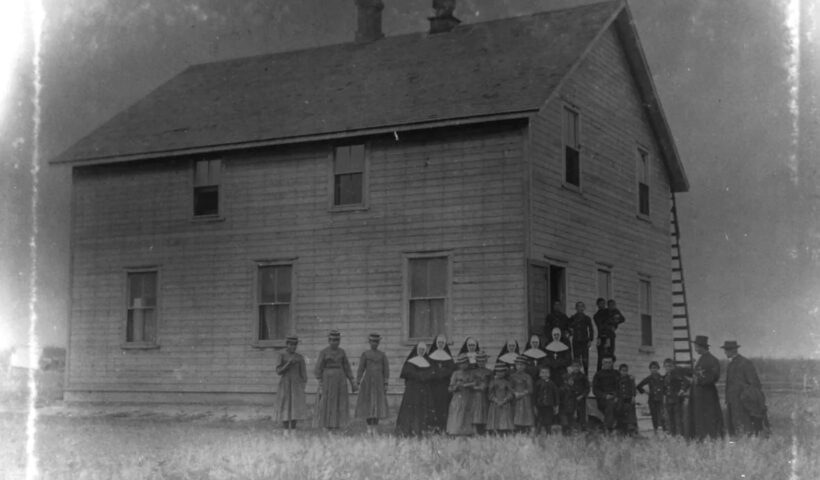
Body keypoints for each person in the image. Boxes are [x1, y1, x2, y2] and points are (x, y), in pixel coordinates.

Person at [721, 340, 767, 437]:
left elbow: (755, 384)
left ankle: (746, 447)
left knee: (745, 427)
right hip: (732, 402)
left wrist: (745, 396)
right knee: (732, 428)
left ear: (733, 350)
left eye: (726, 350)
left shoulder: (745, 363)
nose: (725, 352)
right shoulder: (731, 364)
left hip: (742, 403)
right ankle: (733, 448)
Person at [314, 330, 357, 430]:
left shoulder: (342, 352)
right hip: (327, 380)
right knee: (328, 401)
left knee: (339, 401)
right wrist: (320, 381)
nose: (334, 342)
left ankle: (338, 424)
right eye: (332, 340)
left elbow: (347, 367)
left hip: (340, 379)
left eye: (337, 340)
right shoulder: (324, 352)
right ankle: (326, 424)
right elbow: (318, 369)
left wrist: (352, 380)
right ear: (329, 341)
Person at [395, 342, 434, 436]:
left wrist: (421, 376)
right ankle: (408, 430)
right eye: (420, 349)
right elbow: (407, 373)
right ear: (417, 350)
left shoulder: (428, 362)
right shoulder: (411, 361)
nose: (421, 351)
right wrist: (420, 376)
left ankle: (421, 430)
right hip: (412, 389)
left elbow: (431, 373)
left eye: (423, 350)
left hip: (424, 390)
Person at [689, 335, 724, 439]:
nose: (695, 349)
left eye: (695, 346)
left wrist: (699, 380)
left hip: (707, 396)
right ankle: (702, 439)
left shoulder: (712, 360)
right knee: (700, 418)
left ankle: (712, 439)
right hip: (698, 395)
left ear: (700, 346)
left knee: (709, 418)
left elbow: (714, 377)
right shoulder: (701, 359)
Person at [355, 333, 390, 433]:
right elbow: (361, 368)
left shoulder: (382, 355)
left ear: (378, 343)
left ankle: (375, 427)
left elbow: (386, 370)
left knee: (377, 404)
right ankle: (369, 428)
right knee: (368, 404)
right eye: (372, 341)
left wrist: (385, 383)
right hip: (368, 382)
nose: (374, 344)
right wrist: (358, 381)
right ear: (369, 342)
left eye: (376, 342)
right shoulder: (365, 354)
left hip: (379, 382)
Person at [275, 335, 307, 430]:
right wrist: (288, 364)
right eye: (291, 344)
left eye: (295, 345)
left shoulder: (299, 357)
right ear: (287, 345)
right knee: (286, 405)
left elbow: (303, 374)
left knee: (295, 406)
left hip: (296, 385)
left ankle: (293, 429)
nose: (293, 347)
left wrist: (303, 385)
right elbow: (278, 371)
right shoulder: (282, 355)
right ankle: (285, 430)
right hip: (285, 384)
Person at [427, 333, 456, 433]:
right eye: (438, 342)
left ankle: (443, 426)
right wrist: (437, 373)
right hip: (433, 385)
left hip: (444, 385)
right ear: (436, 343)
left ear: (445, 344)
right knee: (433, 405)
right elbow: (429, 369)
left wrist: (442, 373)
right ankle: (433, 427)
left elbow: (451, 369)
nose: (440, 344)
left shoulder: (448, 357)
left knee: (444, 406)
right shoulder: (430, 356)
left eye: (442, 343)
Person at [446, 353, 476, 436]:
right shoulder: (455, 374)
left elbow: (474, 383)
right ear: (459, 364)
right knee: (457, 412)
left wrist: (466, 385)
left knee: (466, 412)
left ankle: (466, 431)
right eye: (461, 363)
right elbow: (450, 388)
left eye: (465, 363)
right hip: (457, 397)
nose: (464, 365)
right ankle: (454, 431)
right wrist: (456, 387)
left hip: (467, 396)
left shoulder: (471, 373)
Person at [662, 358, 690, 437]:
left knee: (678, 420)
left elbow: (687, 382)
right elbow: (664, 389)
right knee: (671, 420)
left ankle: (681, 437)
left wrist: (682, 390)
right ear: (664, 367)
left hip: (677, 401)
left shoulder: (677, 375)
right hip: (668, 401)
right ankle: (673, 436)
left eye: (670, 366)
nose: (668, 368)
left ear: (673, 366)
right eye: (666, 366)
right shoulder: (665, 377)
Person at [486, 363, 515, 435]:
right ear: (495, 372)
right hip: (495, 403)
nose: (500, 373)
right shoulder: (492, 382)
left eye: (502, 371)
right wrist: (496, 400)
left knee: (505, 417)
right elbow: (490, 394)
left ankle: (505, 431)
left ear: (505, 372)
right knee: (495, 417)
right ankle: (495, 432)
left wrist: (505, 400)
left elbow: (510, 393)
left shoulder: (507, 382)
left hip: (505, 403)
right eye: (498, 371)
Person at [593, 355, 620, 433]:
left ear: (612, 363)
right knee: (610, 405)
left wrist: (617, 396)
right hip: (603, 399)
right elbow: (595, 390)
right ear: (602, 363)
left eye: (609, 362)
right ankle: (608, 429)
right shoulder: (598, 375)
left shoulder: (616, 373)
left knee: (626, 404)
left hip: (615, 396)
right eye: (605, 363)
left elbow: (620, 386)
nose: (607, 364)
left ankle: (626, 428)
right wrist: (605, 396)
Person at [637, 361, 665, 433]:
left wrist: (664, 394)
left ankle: (664, 430)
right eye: (652, 368)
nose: (654, 370)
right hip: (652, 400)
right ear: (650, 369)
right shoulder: (649, 378)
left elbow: (665, 387)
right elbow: (639, 386)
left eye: (655, 368)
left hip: (660, 399)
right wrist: (646, 392)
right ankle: (655, 430)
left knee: (662, 415)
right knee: (654, 415)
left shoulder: (662, 378)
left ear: (658, 368)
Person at [568, 301, 595, 376]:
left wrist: (590, 340)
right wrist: (570, 331)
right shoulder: (573, 318)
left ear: (584, 308)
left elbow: (591, 329)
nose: (580, 308)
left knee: (585, 360)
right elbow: (568, 326)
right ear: (576, 308)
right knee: (576, 359)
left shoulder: (587, 318)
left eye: (582, 306)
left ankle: (585, 376)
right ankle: (576, 375)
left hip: (584, 342)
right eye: (578, 306)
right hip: (576, 341)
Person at [510, 355, 535, 434]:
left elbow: (530, 389)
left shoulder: (528, 376)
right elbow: (510, 387)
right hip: (516, 397)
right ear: (515, 365)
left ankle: (526, 428)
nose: (519, 366)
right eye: (518, 365)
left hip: (525, 398)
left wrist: (522, 393)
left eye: (521, 365)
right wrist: (515, 393)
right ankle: (517, 428)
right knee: (517, 412)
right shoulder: (512, 376)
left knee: (526, 412)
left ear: (525, 366)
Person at [534, 366, 560, 434]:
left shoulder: (552, 383)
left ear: (549, 374)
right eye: (542, 372)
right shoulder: (538, 383)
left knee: (548, 420)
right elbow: (535, 395)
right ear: (539, 374)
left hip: (549, 405)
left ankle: (549, 433)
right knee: (540, 419)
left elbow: (556, 394)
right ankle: (537, 433)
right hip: (540, 405)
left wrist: (556, 405)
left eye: (546, 373)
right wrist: (534, 405)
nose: (544, 374)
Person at [565, 360, 590, 431]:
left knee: (582, 413)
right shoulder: (569, 376)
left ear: (580, 367)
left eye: (577, 366)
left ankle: (582, 426)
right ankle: (572, 426)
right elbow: (567, 387)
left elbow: (587, 388)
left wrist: (582, 395)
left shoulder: (583, 376)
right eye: (574, 366)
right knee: (572, 412)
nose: (576, 368)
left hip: (581, 398)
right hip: (571, 398)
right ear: (571, 367)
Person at [471, 351, 492, 435]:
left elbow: (492, 383)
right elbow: (471, 382)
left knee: (485, 410)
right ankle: (475, 429)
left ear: (486, 361)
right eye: (479, 361)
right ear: (476, 361)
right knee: (476, 411)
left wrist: (487, 386)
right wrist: (476, 387)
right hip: (476, 394)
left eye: (483, 361)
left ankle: (486, 429)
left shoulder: (489, 372)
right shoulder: (473, 372)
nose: (481, 363)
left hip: (485, 394)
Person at [616, 363, 638, 435]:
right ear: (619, 371)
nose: (624, 372)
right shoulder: (617, 379)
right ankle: (621, 429)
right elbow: (616, 389)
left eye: (626, 371)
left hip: (629, 398)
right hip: (620, 399)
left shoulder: (630, 379)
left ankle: (631, 429)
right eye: (622, 370)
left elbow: (633, 388)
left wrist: (633, 396)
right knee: (620, 411)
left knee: (630, 413)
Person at [593, 298, 610, 372]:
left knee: (609, 356)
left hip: (609, 336)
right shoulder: (596, 315)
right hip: (601, 337)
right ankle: (599, 373)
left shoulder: (608, 312)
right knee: (601, 357)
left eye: (604, 303)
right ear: (598, 305)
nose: (603, 305)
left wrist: (613, 327)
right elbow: (601, 326)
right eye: (601, 303)